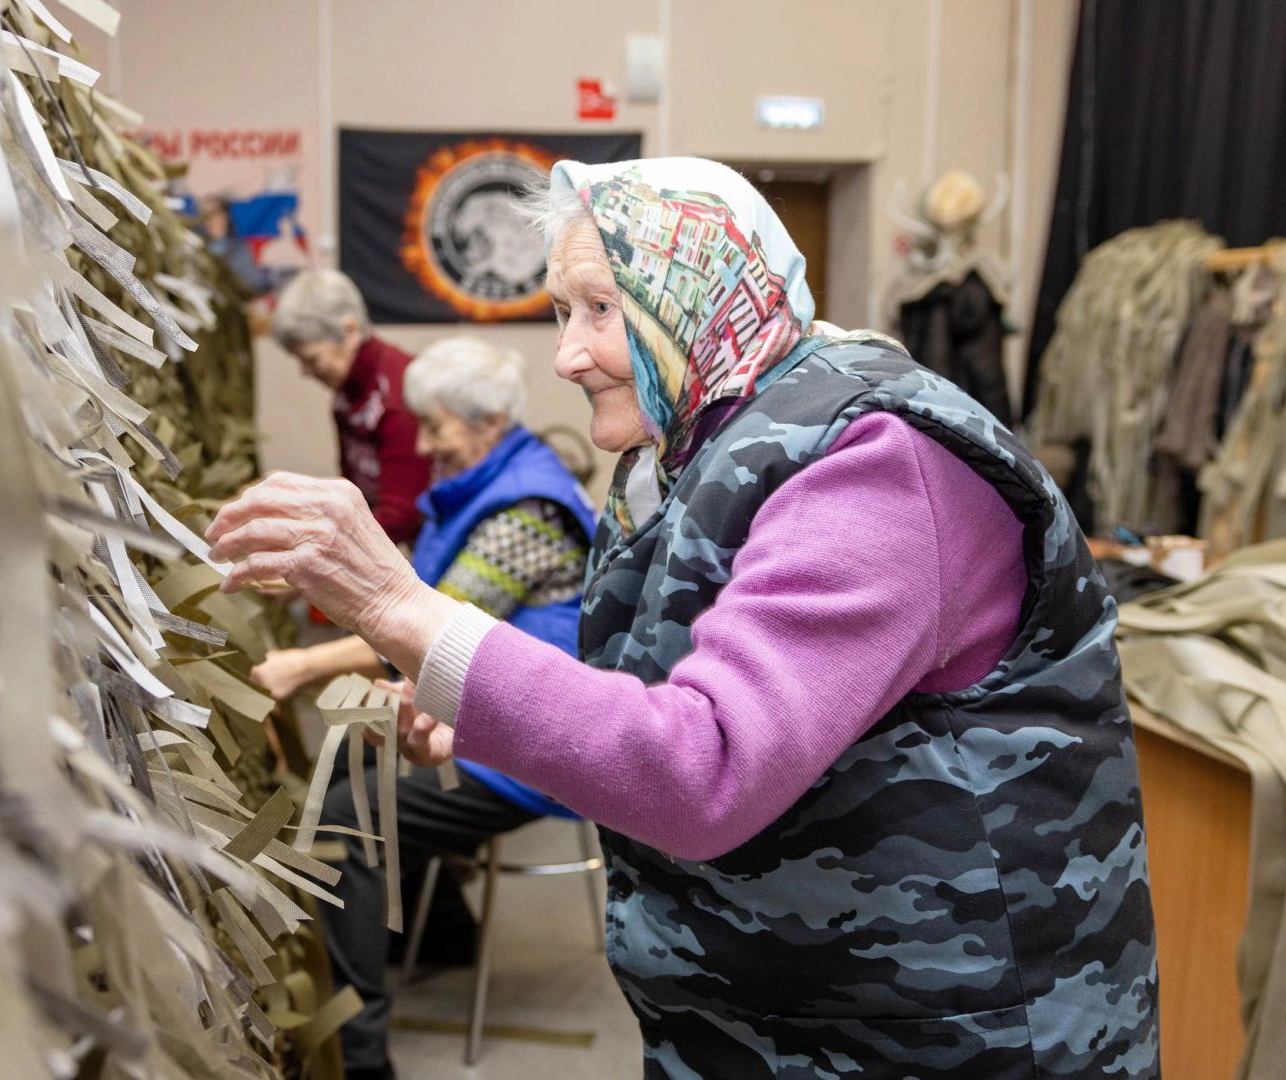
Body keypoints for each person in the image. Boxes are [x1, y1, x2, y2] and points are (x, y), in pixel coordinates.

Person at [207, 158, 1159, 1079]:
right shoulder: (696, 449)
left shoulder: (874, 463)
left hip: (938, 1031)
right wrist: (484, 708)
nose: (567, 355)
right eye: (561, 312)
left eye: (600, 309)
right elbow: (669, 690)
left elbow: (705, 768)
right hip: (788, 1010)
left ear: (699, 292)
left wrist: (396, 604)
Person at [249, 336, 597, 1079]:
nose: (427, 444)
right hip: (487, 715)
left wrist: (301, 666)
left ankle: (359, 1057)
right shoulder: (474, 481)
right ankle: (440, 933)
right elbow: (416, 589)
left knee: (343, 820)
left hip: (533, 742)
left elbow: (432, 627)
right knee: (353, 752)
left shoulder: (526, 509)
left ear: (490, 420)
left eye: (437, 427)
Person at [271, 269, 429, 544]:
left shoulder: (397, 396)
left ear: (350, 331)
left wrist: (319, 548)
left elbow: (399, 516)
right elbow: (352, 493)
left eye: (312, 359)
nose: (305, 372)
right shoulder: (347, 393)